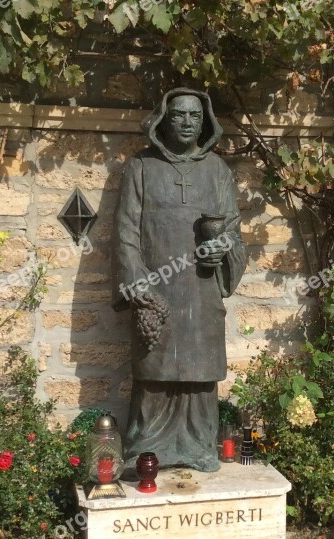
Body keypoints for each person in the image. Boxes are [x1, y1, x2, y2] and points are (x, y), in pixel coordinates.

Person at [112, 88, 246, 472]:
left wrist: (224, 250)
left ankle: (198, 445)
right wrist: (138, 284)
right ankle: (146, 448)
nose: (187, 123)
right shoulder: (141, 167)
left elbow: (233, 230)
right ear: (162, 120)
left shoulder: (218, 171)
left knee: (200, 370)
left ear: (205, 123)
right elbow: (125, 233)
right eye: (179, 115)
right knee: (155, 370)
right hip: (157, 288)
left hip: (202, 288)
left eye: (194, 117)